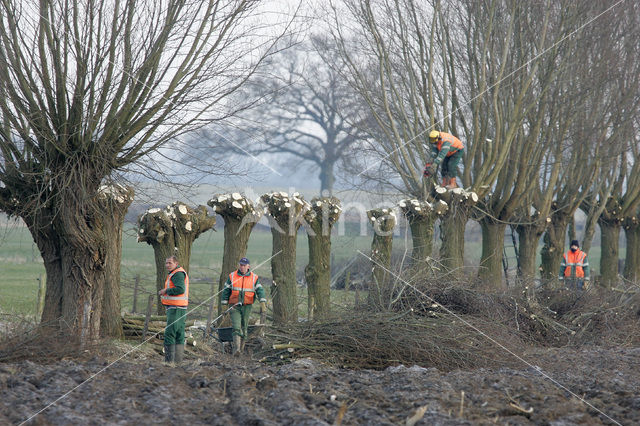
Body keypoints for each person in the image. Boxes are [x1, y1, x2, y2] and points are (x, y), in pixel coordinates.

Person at [221, 257, 267, 355]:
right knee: (236, 327)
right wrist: (224, 305)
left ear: (248, 266)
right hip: (234, 306)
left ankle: (241, 349)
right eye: (241, 265)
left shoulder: (254, 278)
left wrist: (262, 302)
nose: (242, 267)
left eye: (244, 265)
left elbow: (260, 290)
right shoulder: (232, 276)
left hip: (247, 306)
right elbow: (225, 291)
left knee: (244, 328)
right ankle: (236, 350)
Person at [158, 256, 189, 364]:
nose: (167, 265)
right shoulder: (176, 273)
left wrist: (166, 291)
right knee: (179, 333)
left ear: (176, 263)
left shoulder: (177, 274)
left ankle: (169, 362)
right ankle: (178, 362)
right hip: (180, 308)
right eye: (166, 263)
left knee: (170, 333)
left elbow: (180, 289)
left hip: (175, 308)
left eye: (170, 263)